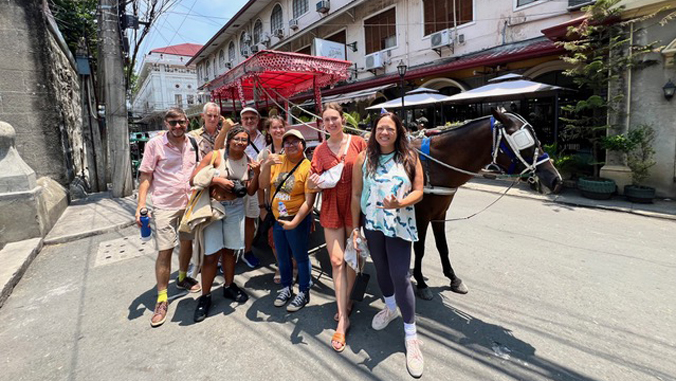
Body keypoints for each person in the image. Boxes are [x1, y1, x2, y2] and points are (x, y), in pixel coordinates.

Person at [351, 112, 425, 377]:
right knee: (381, 270)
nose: (384, 133)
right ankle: (391, 308)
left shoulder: (409, 157)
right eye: (380, 128)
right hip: (373, 225)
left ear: (398, 131)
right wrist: (355, 228)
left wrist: (400, 203)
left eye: (389, 129)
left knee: (400, 275)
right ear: (374, 132)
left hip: (399, 225)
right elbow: (357, 194)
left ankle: (411, 335)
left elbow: (418, 191)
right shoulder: (363, 158)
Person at [308, 103, 367, 352]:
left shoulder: (359, 143)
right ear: (322, 124)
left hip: (355, 207)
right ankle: (343, 319)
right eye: (326, 120)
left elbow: (371, 170)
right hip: (331, 206)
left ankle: (346, 300)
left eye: (334, 118)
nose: (331, 123)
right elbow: (312, 183)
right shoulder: (320, 150)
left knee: (352, 258)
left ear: (343, 119)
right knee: (336, 260)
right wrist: (315, 183)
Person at [135, 107, 202, 328]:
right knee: (165, 250)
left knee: (187, 243)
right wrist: (141, 205)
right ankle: (162, 298)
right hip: (164, 205)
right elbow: (146, 175)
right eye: (172, 123)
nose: (177, 126)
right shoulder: (154, 144)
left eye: (181, 122)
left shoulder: (193, 143)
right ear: (166, 124)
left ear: (187, 122)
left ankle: (182, 278)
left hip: (188, 203)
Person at [192, 126, 260, 322]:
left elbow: (251, 191)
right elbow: (193, 179)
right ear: (229, 139)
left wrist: (256, 173)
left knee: (230, 251)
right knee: (211, 255)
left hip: (236, 208)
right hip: (214, 208)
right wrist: (218, 180)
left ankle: (229, 286)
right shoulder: (215, 155)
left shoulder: (247, 160)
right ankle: (205, 296)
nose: (240, 142)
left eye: (244, 140)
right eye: (237, 138)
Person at [260, 129, 315, 312]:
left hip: (296, 218)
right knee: (282, 257)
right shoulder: (277, 161)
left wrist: (295, 222)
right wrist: (267, 164)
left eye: (295, 142)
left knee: (300, 256)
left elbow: (309, 202)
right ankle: (286, 287)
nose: (290, 145)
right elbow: (262, 184)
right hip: (278, 219)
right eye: (287, 142)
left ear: (303, 145)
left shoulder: (307, 166)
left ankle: (304, 291)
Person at [256, 116, 287, 283]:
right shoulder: (265, 153)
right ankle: (281, 264)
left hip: (291, 201)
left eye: (281, 126)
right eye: (274, 127)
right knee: (274, 237)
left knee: (293, 236)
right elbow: (261, 183)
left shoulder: (293, 147)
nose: (278, 130)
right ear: (268, 131)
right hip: (273, 203)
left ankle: (294, 266)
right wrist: (261, 207)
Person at [240, 106, 267, 268]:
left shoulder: (263, 138)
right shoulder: (236, 136)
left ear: (257, 121)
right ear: (241, 121)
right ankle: (228, 254)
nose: (249, 121)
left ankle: (247, 251)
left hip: (256, 182)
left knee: (250, 219)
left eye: (252, 118)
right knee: (232, 220)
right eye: (246, 118)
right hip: (238, 182)